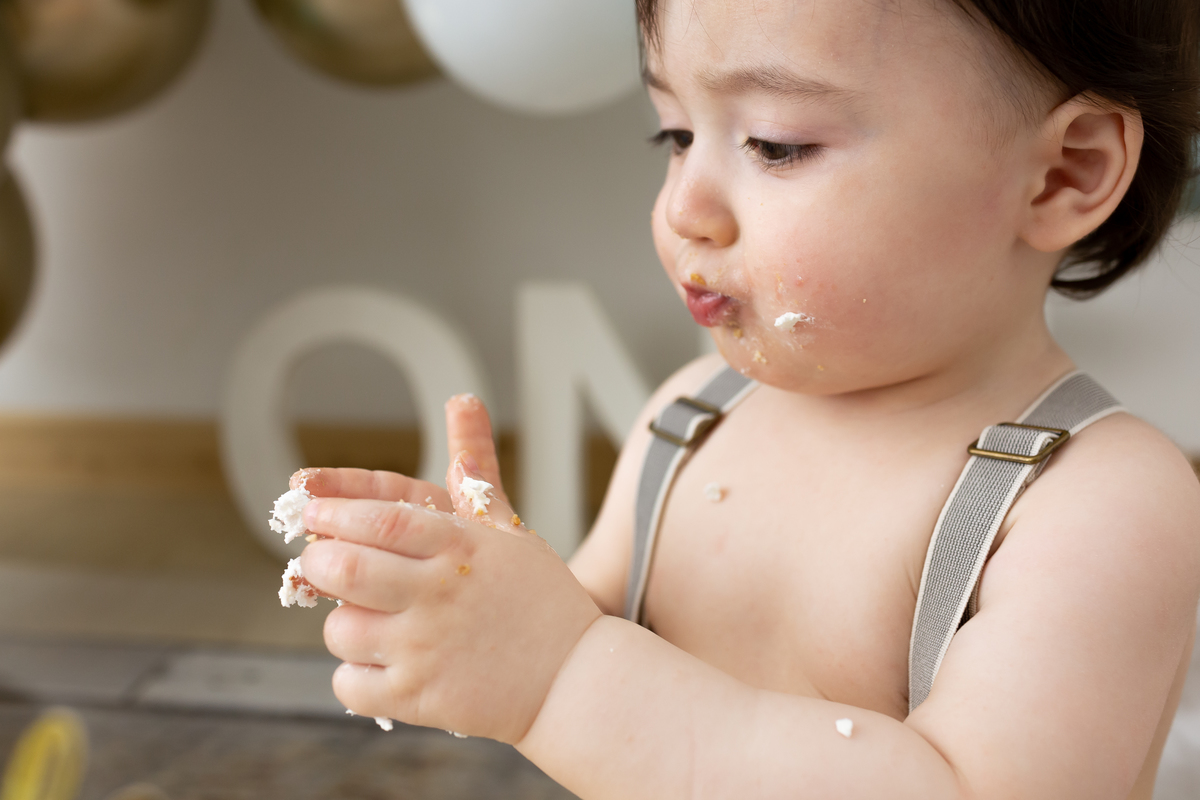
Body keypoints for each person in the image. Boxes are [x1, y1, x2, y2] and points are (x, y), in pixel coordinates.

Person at [289, 1, 1200, 797]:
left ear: (1064, 174)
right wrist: (472, 599)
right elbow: (602, 692)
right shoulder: (694, 415)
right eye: (676, 134)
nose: (687, 205)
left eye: (776, 144)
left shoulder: (1100, 505)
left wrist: (557, 671)